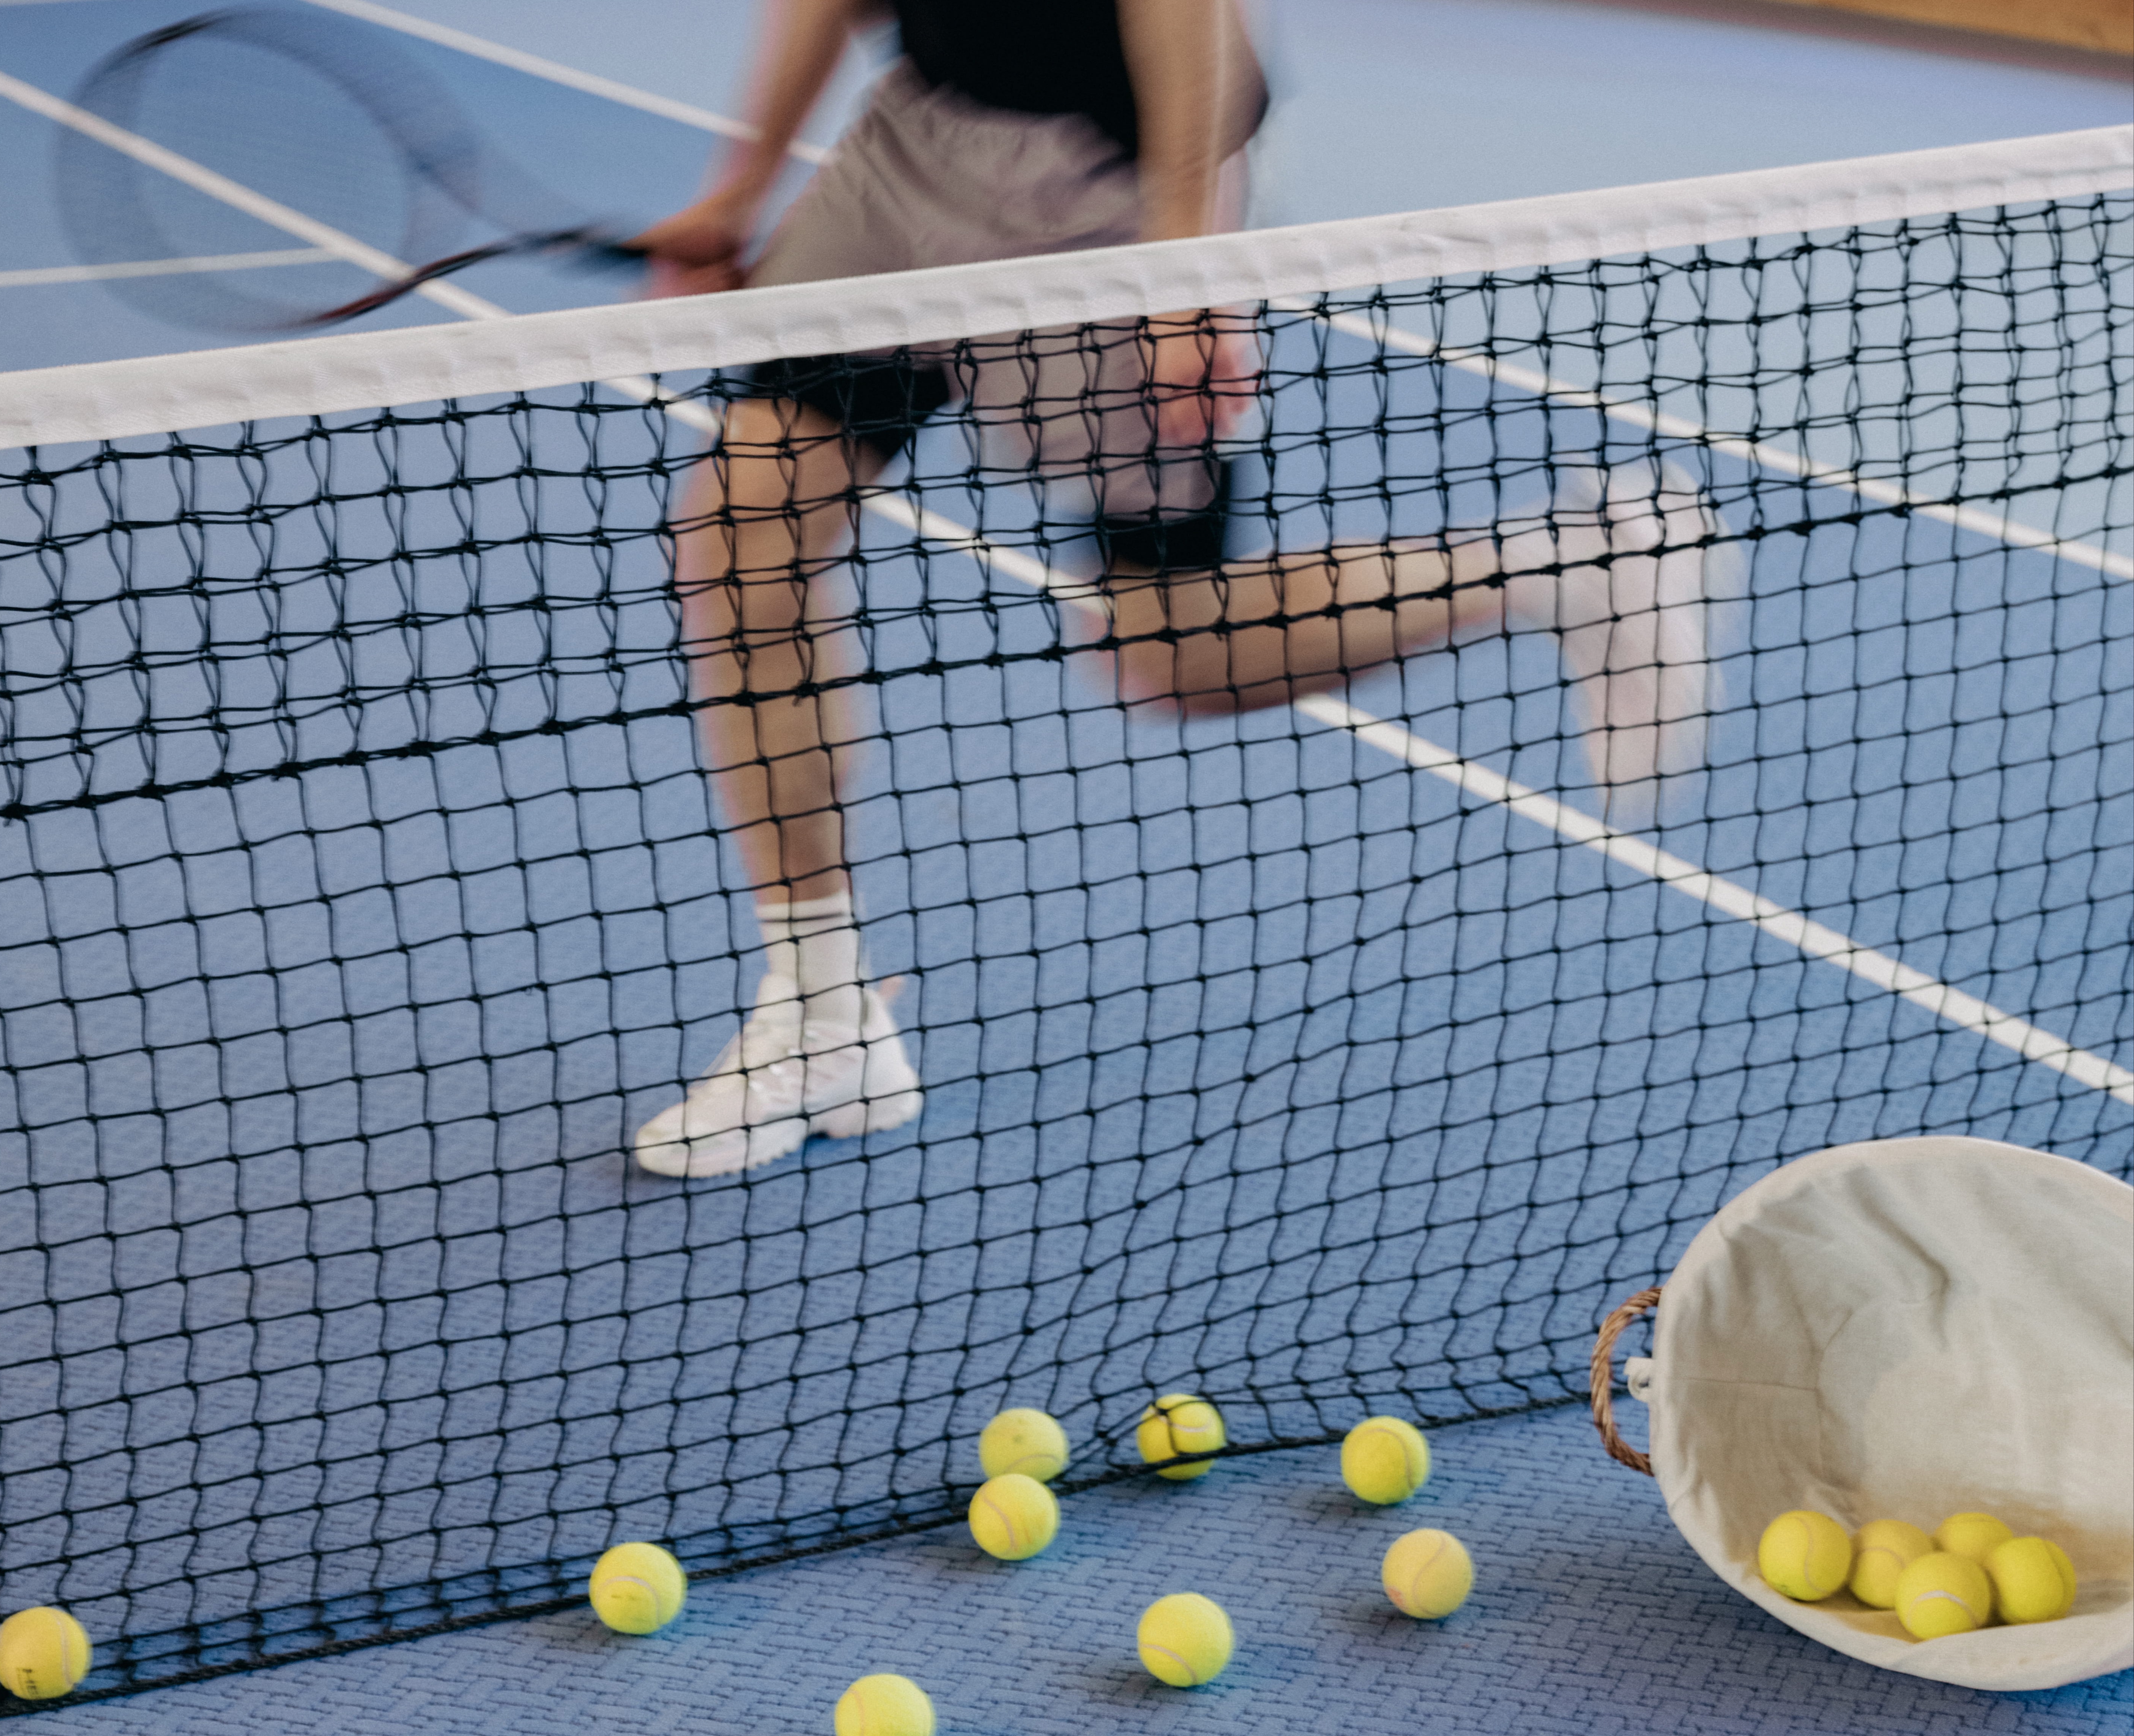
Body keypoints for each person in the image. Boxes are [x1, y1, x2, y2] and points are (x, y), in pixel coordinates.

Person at [628, 0, 1716, 1179]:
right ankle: (822, 1005)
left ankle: (1566, 561)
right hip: (916, 144)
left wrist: (1182, 264)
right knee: (743, 529)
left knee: (1167, 652)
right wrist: (740, 184)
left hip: (1106, 177)